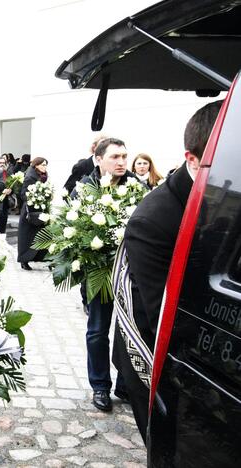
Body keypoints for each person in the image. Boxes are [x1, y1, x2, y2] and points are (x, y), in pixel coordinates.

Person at [115, 100, 223, 439]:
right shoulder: (154, 219)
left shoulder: (218, 190)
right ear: (191, 158)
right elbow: (162, 316)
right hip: (153, 358)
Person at [75, 137, 140, 412]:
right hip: (98, 273)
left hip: (129, 274)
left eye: (125, 156)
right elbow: (74, 230)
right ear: (99, 159)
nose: (122, 162)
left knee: (129, 331)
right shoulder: (85, 189)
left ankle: (125, 383)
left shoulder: (136, 187)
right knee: (98, 332)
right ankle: (100, 386)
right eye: (115, 157)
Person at [17, 157, 49, 270]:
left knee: (43, 234)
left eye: (46, 165)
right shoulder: (30, 177)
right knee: (27, 237)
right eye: (43, 165)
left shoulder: (44, 176)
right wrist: (35, 196)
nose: (45, 167)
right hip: (30, 211)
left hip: (41, 209)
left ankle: (45, 258)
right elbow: (23, 194)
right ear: (36, 165)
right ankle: (24, 260)